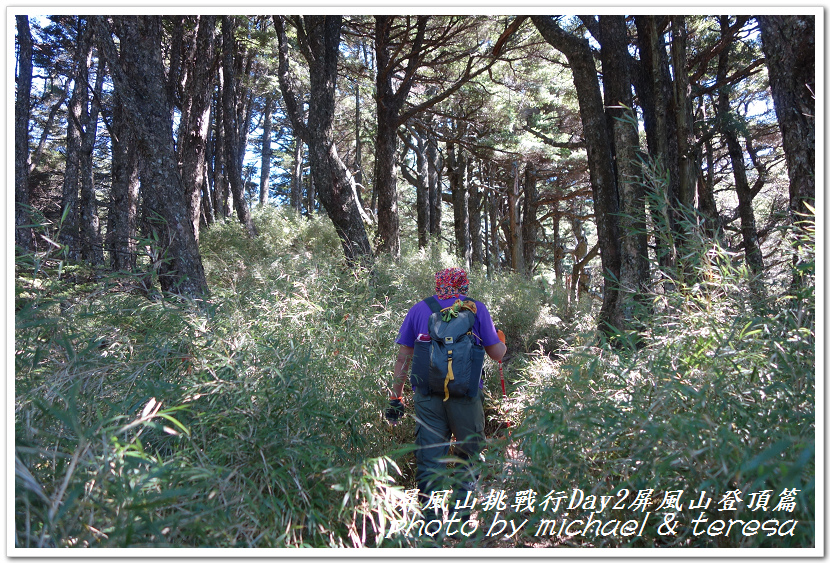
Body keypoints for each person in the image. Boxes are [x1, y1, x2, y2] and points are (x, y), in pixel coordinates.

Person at [386, 267, 506, 515]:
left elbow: (403, 359)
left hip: (428, 397)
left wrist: (395, 396)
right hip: (467, 396)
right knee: (469, 454)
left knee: (430, 459)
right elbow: (496, 354)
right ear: (464, 285)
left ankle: (430, 518)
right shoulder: (475, 308)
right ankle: (460, 515)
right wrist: (501, 341)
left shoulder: (419, 309)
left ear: (438, 284)